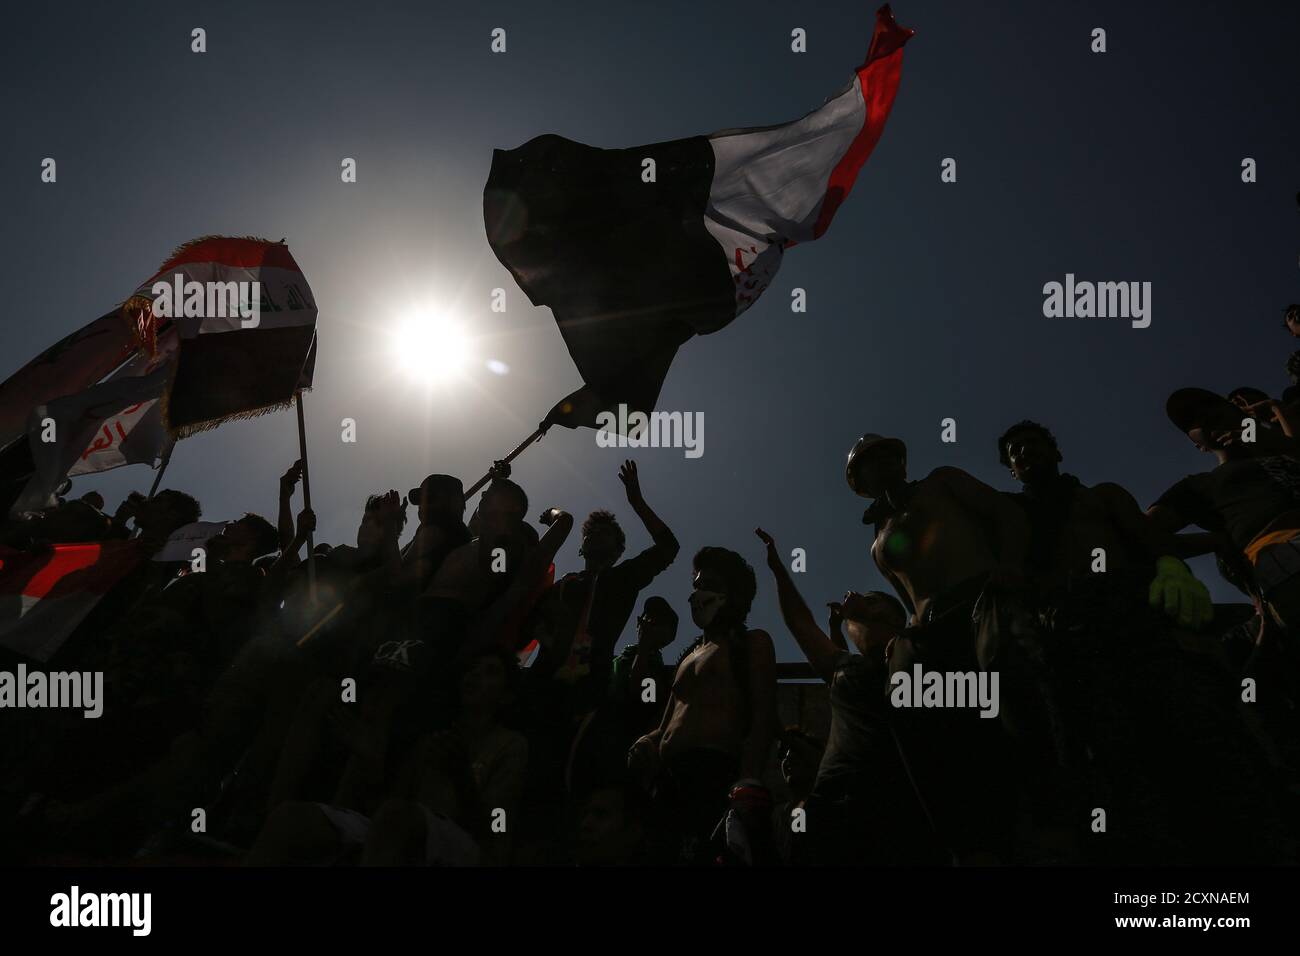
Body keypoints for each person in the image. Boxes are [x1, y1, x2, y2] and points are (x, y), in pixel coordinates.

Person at [997, 419, 1284, 863]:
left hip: (1135, 618)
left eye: (1035, 444)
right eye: (1016, 451)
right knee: (1120, 763)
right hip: (1071, 638)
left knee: (1200, 736)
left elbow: (1151, 539)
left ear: (1056, 453)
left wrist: (1175, 564)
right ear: (1010, 469)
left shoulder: (1101, 496)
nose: (1026, 452)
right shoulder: (1011, 519)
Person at [756, 527, 942, 864]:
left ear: (885, 614)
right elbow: (800, 623)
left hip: (897, 816)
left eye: (869, 599)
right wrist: (779, 571)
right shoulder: (845, 668)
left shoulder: (919, 659)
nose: (852, 596)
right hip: (832, 813)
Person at [628, 547, 776, 864]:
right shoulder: (687, 658)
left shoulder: (753, 643)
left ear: (733, 594)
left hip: (713, 777)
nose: (699, 592)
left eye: (710, 584)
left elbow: (764, 715)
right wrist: (649, 740)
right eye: (697, 584)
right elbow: (666, 721)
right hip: (666, 784)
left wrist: (748, 782)